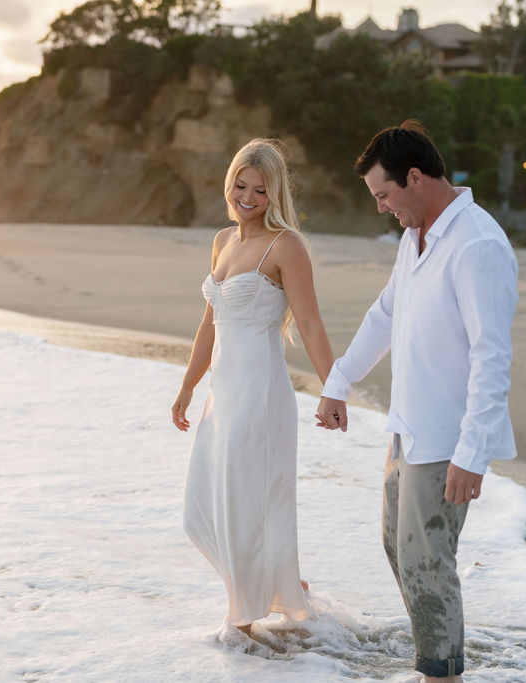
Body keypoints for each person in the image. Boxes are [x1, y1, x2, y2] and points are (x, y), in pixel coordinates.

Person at [315, 120, 518, 681]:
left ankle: (441, 673)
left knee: (427, 562)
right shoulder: (415, 238)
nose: (381, 208)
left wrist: (472, 453)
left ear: (414, 178)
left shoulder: (477, 244)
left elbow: (492, 357)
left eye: (384, 195)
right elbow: (385, 314)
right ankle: (438, 661)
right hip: (407, 428)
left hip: (449, 437)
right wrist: (338, 381)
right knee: (398, 549)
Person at [172, 138, 335, 638]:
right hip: (223, 397)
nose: (247, 197)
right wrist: (187, 389)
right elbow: (209, 324)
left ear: (274, 193)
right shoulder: (223, 240)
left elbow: (310, 324)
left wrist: (334, 390)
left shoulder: (285, 246)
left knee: (244, 504)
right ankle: (282, 589)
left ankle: (241, 623)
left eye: (260, 190)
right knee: (204, 506)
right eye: (240, 185)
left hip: (261, 397)